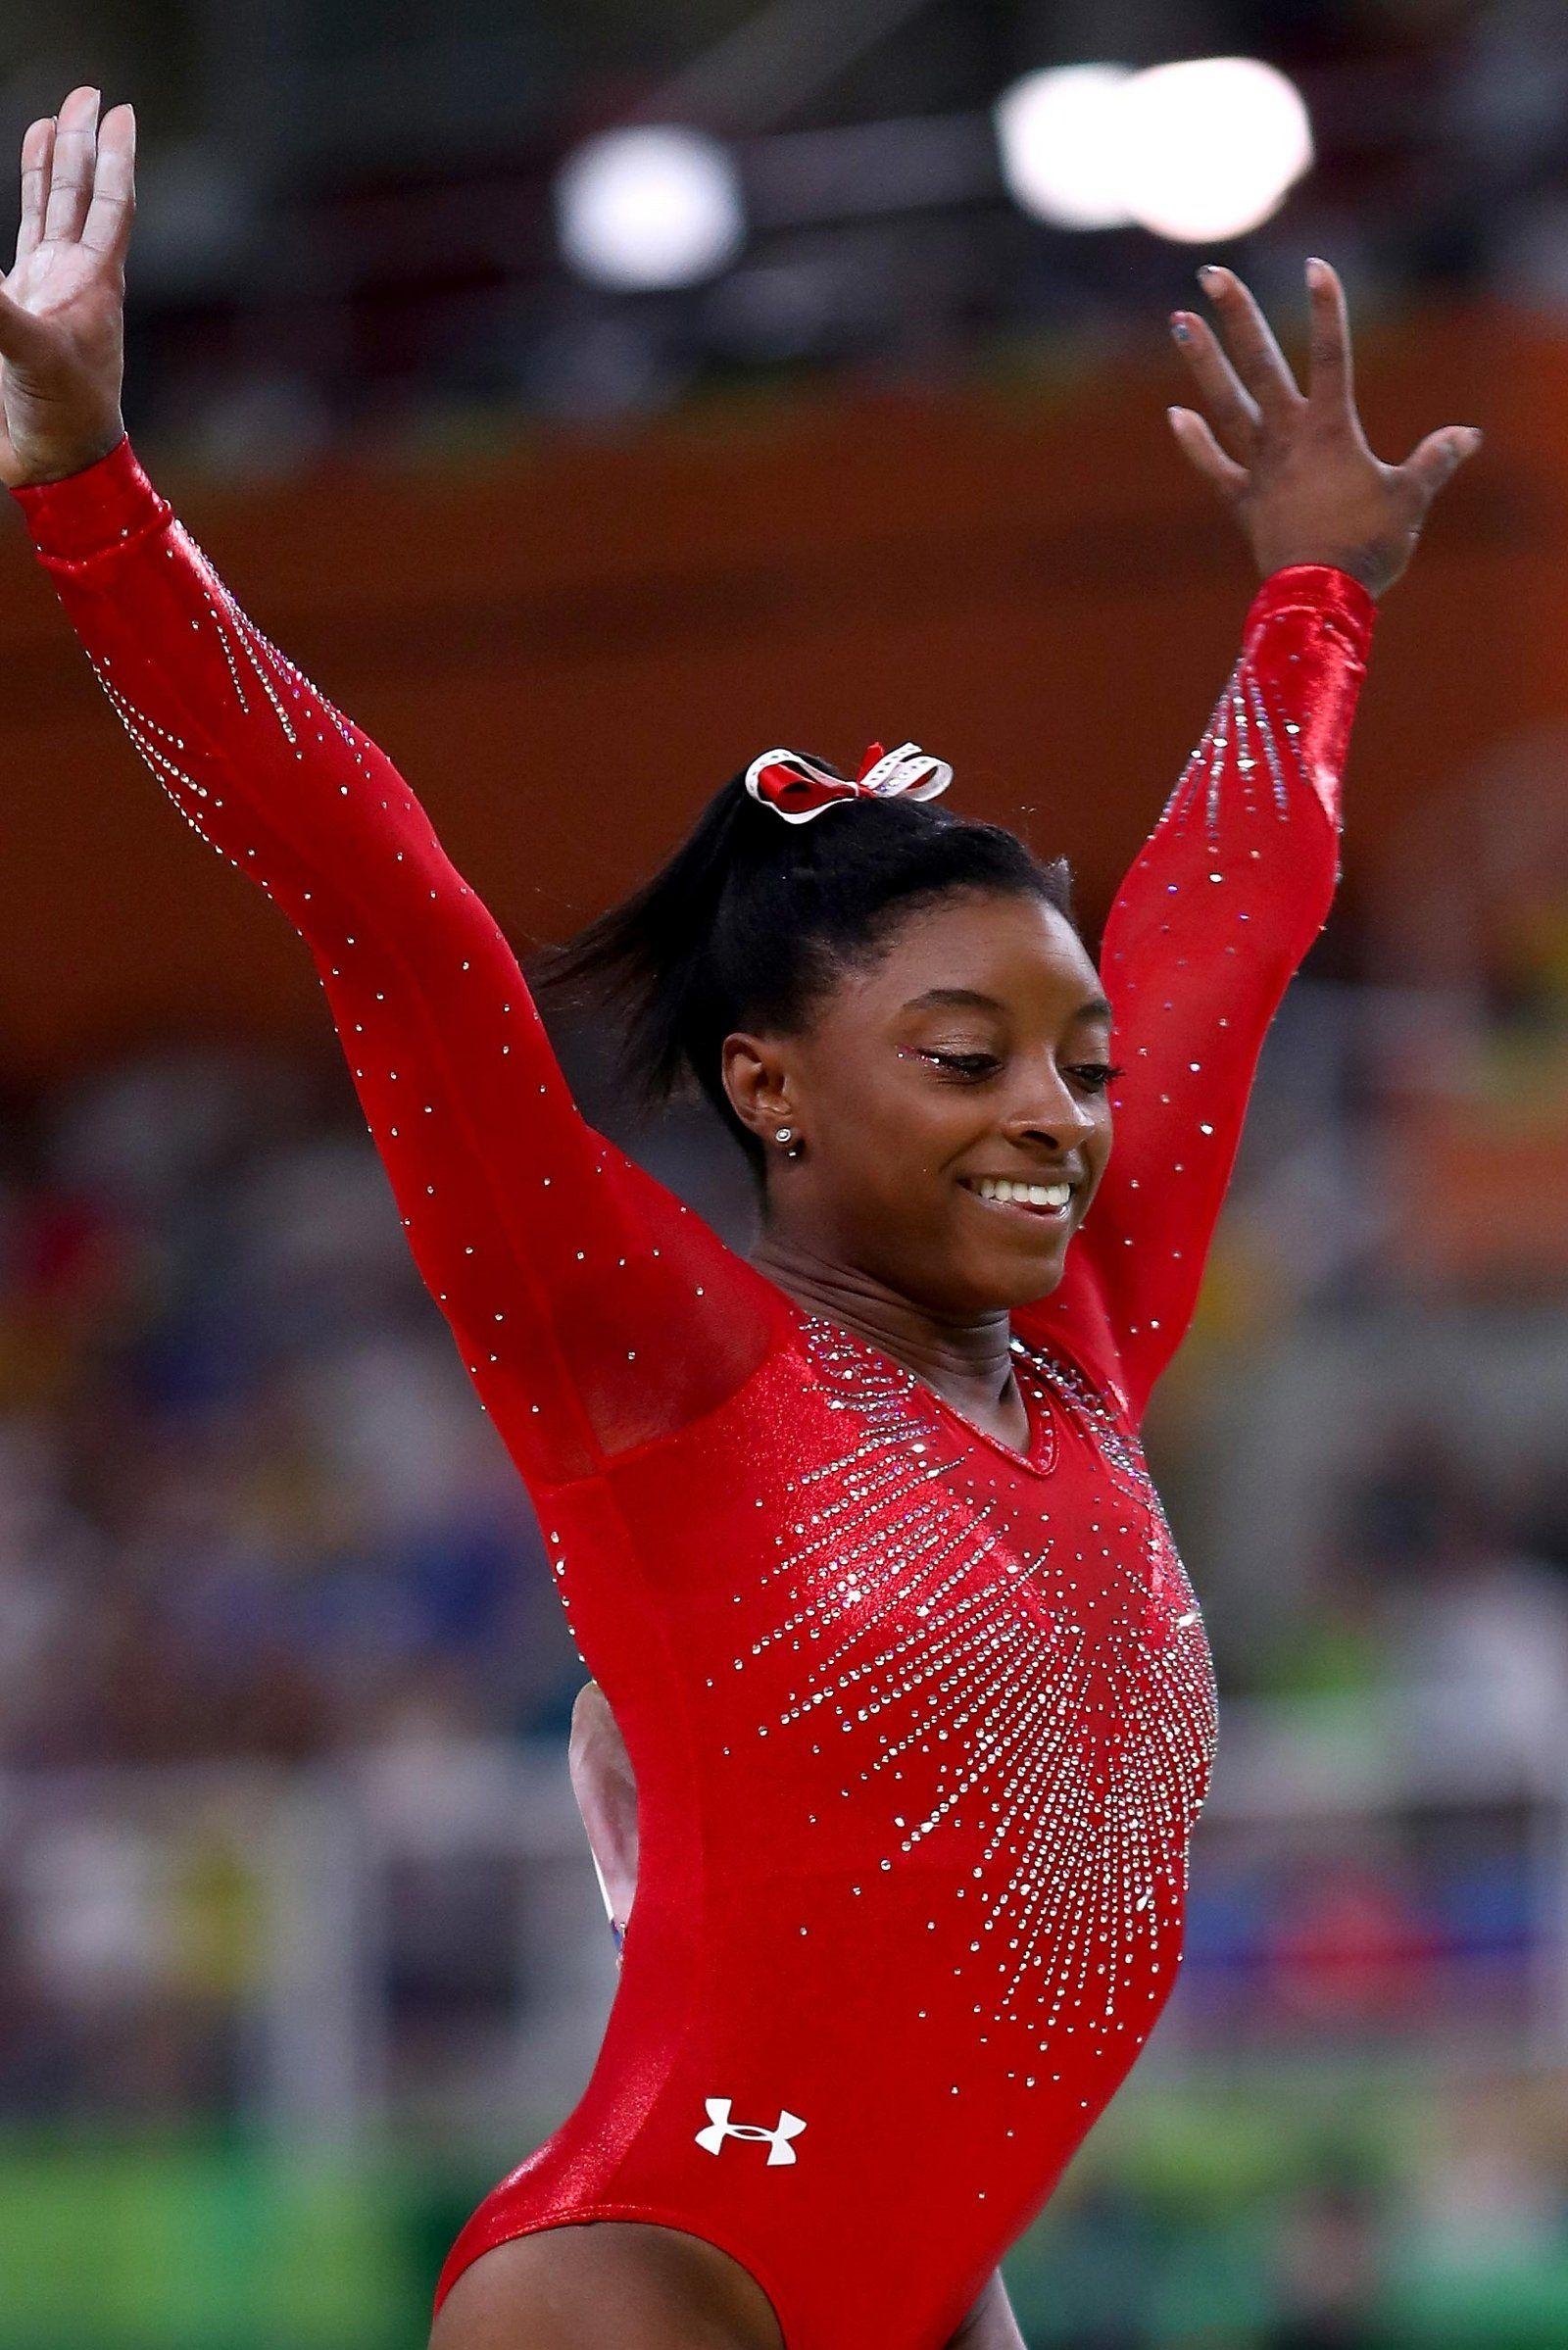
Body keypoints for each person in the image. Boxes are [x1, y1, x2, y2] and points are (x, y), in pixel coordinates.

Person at [2, 84, 1479, 2350]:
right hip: (653, 2273)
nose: (1056, 1120)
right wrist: (100, 503)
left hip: (933, 2289)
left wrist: (1312, 599)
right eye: (964, 1060)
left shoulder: (1082, 1346)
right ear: (768, 1088)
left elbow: (1230, 912)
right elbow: (385, 914)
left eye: (1076, 1066)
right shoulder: (662, 1364)